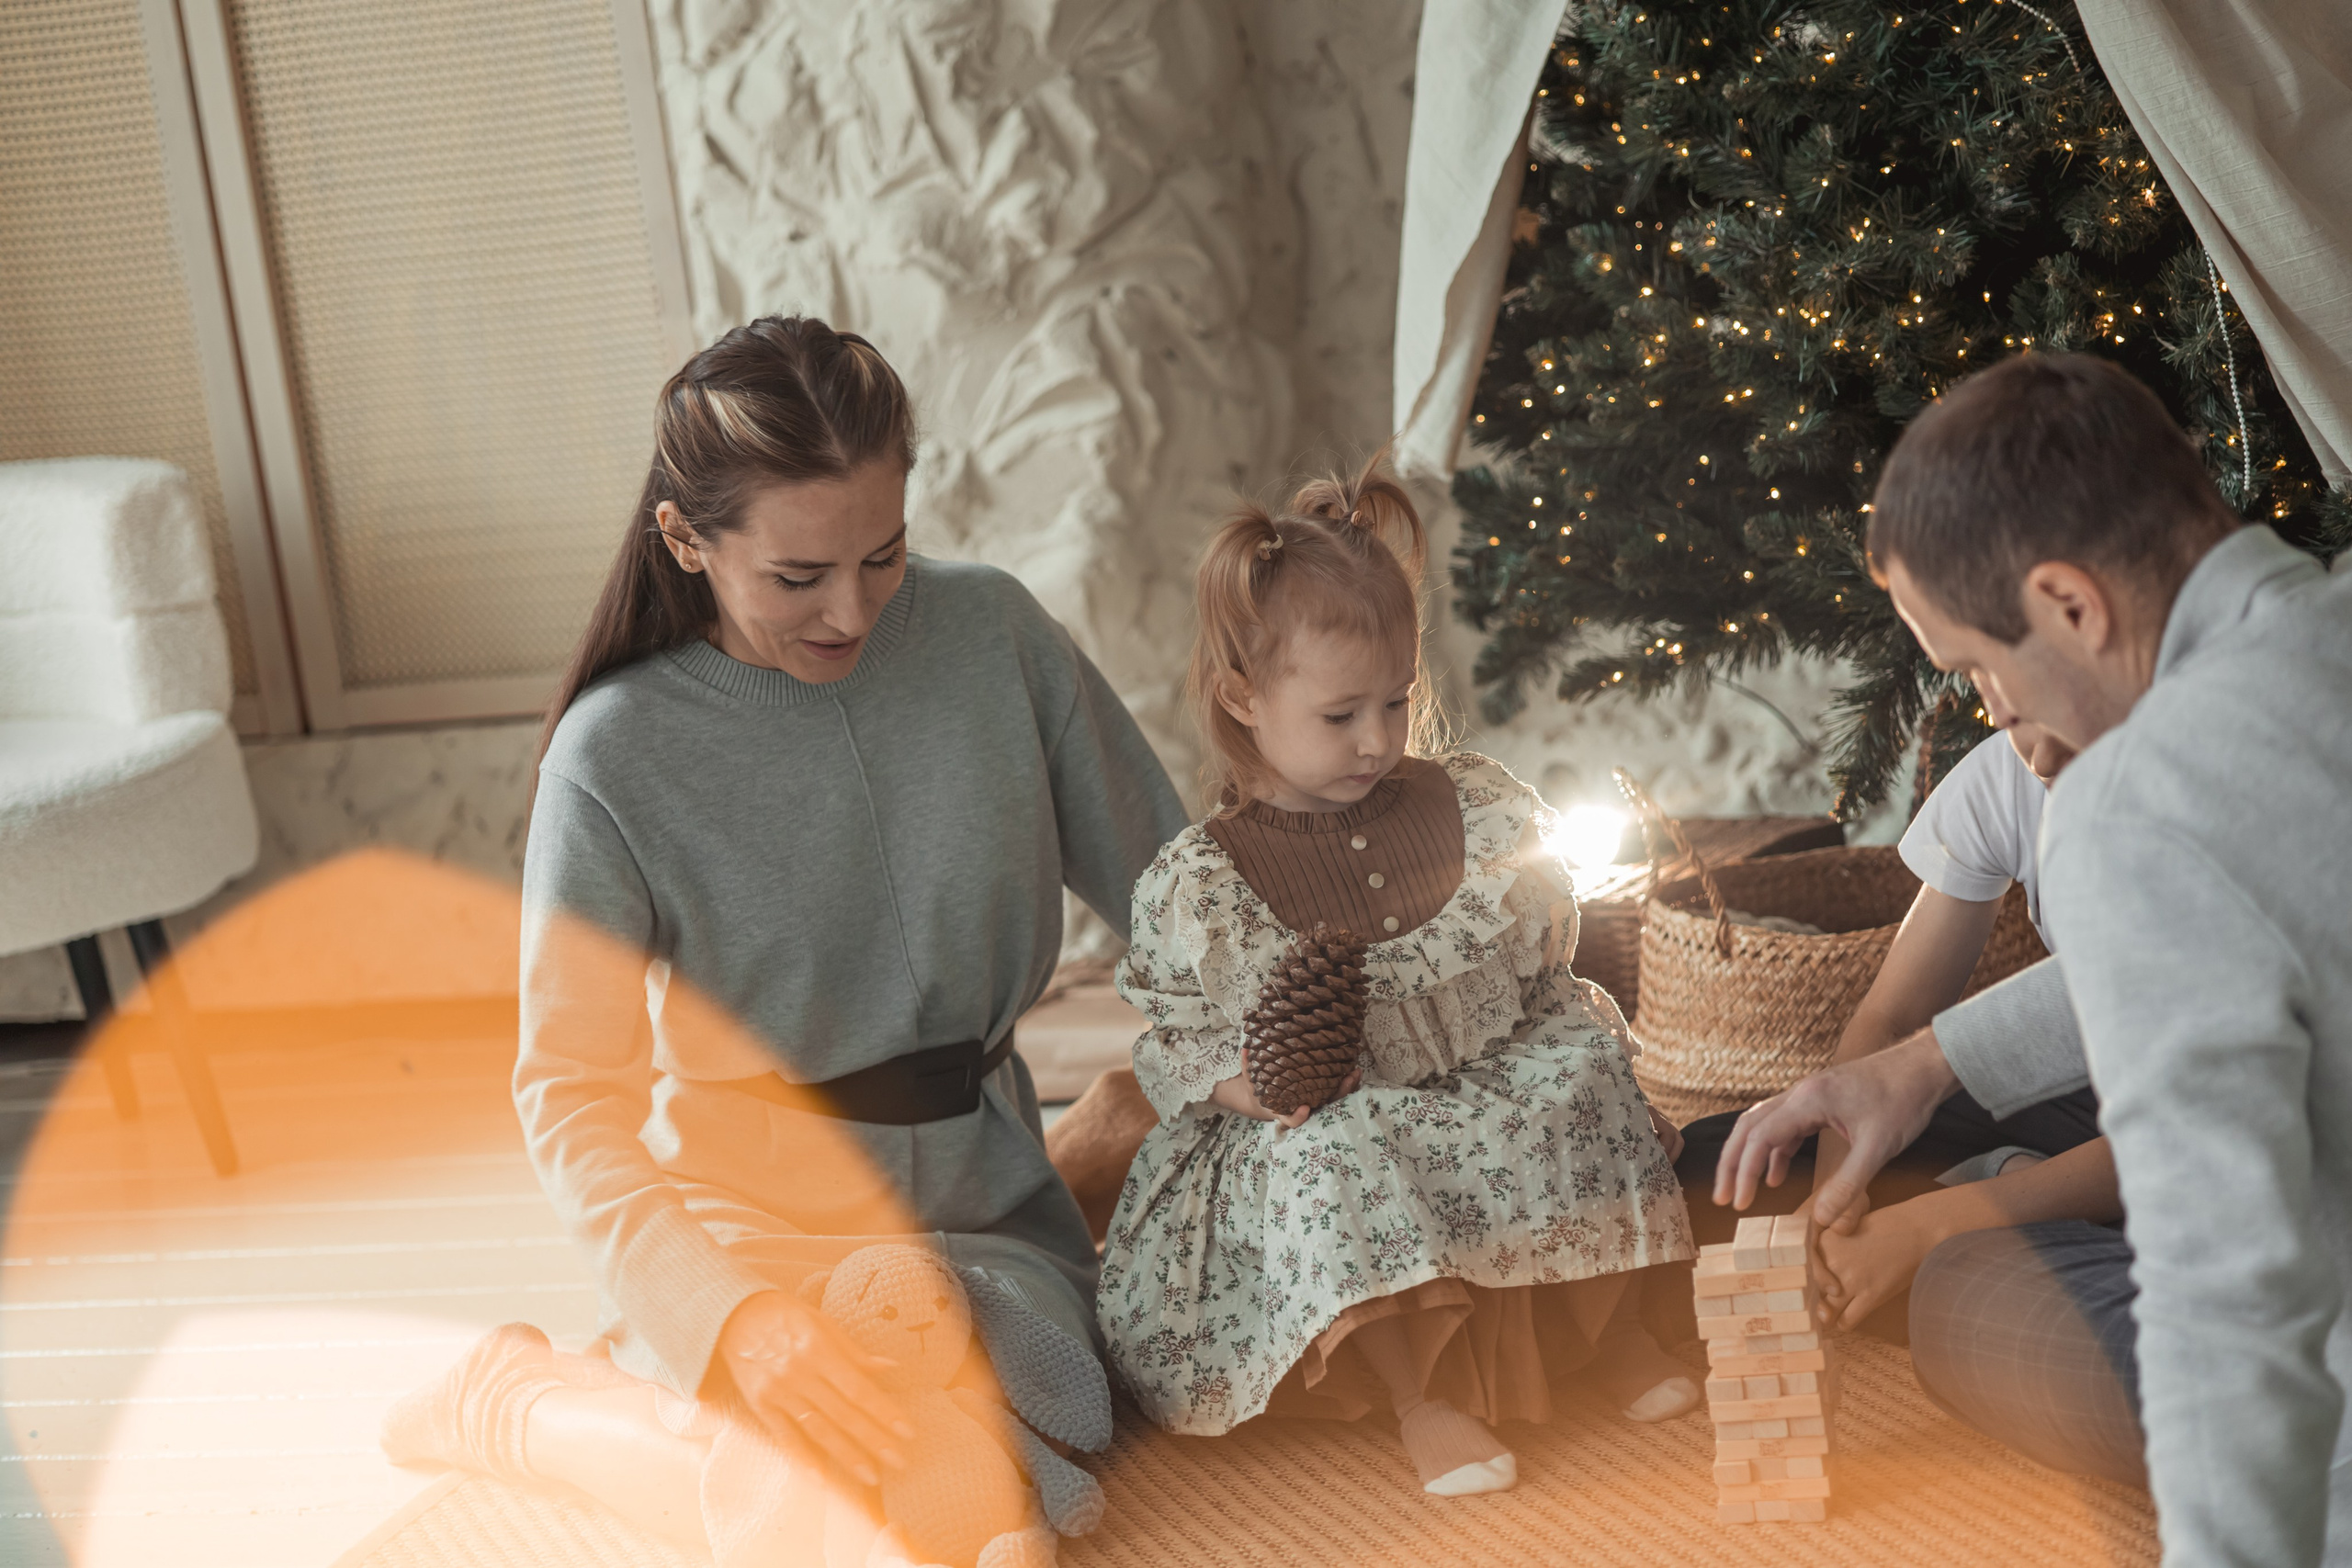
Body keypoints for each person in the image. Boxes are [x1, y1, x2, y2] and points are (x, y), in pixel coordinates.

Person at [381, 317, 1190, 1559]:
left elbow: (1179, 902)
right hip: (748, 1217)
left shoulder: (995, 634)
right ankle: (522, 1405)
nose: (853, 609)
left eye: (885, 554)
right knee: (831, 1481)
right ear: (686, 541)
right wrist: (738, 1316)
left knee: (1011, 1439)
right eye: (798, 577)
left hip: (982, 1198)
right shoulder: (611, 756)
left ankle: (567, 1406)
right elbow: (569, 1095)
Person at [1715, 352, 2352, 1564]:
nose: (1994, 705)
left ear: (2070, 603)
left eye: (1976, 669)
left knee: (1984, 1306)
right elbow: (2273, 906)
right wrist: (1925, 1062)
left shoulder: (2134, 799)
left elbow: (2230, 1295)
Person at [1097, 457, 1699, 1499]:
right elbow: (1176, 1035)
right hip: (1332, 1104)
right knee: (1340, 1156)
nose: (1379, 740)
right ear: (1243, 696)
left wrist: (1565, 1031)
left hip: (1484, 1070)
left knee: (1582, 1075)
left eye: (1397, 701)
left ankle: (1601, 1331)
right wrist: (1248, 1085)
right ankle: (1424, 1394)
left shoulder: (1474, 806)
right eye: (1340, 716)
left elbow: (1536, 965)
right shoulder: (1204, 881)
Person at [1667, 725, 2128, 1396]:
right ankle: (2014, 1202)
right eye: (2009, 712)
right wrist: (1828, 1212)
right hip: (2076, 1088)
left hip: (2212, 1147)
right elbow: (1891, 1019)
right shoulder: (2009, 774)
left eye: (2054, 715)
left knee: (1977, 1315)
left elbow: (2204, 1137)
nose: (2039, 756)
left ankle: (2017, 1213)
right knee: (1709, 1173)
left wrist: (1929, 1226)